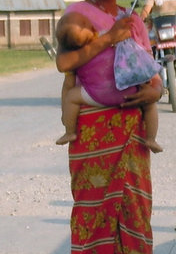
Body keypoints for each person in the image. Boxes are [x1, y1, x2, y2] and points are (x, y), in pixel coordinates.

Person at [55, 0, 176, 254]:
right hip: (93, 130)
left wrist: (155, 90)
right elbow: (65, 64)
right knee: (91, 208)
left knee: (137, 209)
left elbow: (147, 68)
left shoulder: (135, 20)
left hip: (132, 128)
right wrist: (108, 39)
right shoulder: (76, 16)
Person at [55, 16, 163, 153]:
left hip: (95, 96)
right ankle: (151, 138)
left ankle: (69, 132)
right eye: (83, 23)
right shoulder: (110, 36)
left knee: (71, 97)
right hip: (127, 91)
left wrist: (66, 115)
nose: (87, 22)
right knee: (150, 106)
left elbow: (67, 85)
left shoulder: (79, 54)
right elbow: (142, 63)